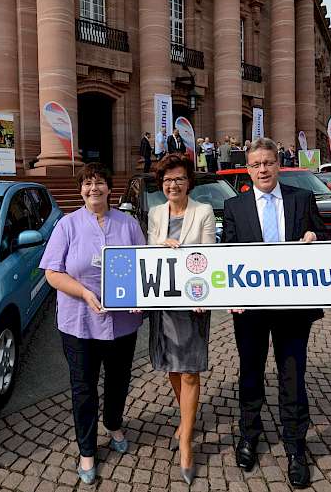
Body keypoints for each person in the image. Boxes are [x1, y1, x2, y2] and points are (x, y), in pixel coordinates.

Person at [222, 137, 330, 489]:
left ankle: (296, 446)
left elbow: (324, 236)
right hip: (250, 309)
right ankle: (248, 435)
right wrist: (230, 294)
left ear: (278, 165)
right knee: (250, 372)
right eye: (256, 164)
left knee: (292, 375)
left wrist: (315, 237)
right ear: (248, 169)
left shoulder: (302, 198)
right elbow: (227, 255)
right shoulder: (234, 206)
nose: (263, 169)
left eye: (268, 162)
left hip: (293, 307)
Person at [39, 163, 146, 485]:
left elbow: (145, 266)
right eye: (87, 183)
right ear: (80, 190)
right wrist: (84, 293)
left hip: (122, 323)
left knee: (118, 380)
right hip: (79, 323)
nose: (93, 188)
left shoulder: (128, 224)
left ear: (110, 188)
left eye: (99, 182)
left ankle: (113, 424)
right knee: (84, 388)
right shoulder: (67, 225)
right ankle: (87, 449)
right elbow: (52, 273)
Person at [148, 153, 216, 485]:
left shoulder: (203, 211)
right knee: (172, 368)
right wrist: (161, 245)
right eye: (167, 180)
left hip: (193, 303)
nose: (173, 184)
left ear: (189, 182)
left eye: (179, 178)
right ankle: (186, 417)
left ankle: (186, 442)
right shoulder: (156, 213)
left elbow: (209, 256)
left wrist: (202, 297)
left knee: (189, 371)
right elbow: (149, 253)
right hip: (163, 301)